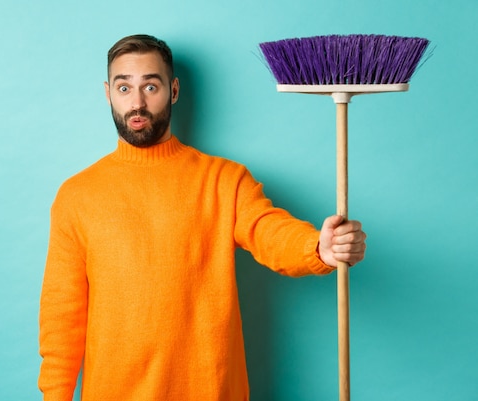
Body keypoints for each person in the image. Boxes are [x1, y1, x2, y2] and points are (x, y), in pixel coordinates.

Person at [38, 34, 367, 401]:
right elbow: (62, 313)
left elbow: (269, 231)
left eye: (151, 85)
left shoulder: (223, 181)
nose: (137, 102)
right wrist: (55, 396)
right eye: (124, 87)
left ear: (174, 90)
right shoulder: (77, 195)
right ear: (107, 93)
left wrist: (318, 247)